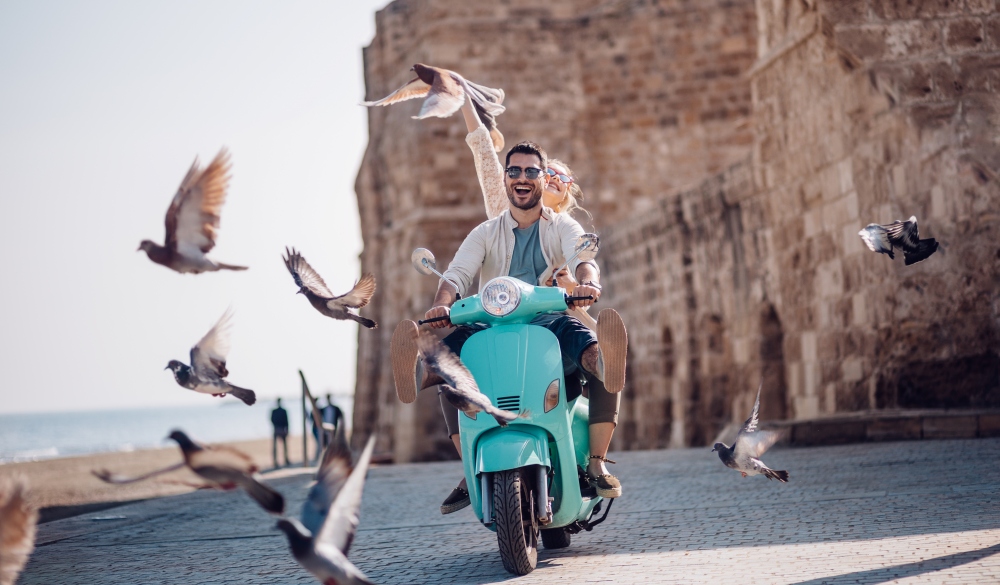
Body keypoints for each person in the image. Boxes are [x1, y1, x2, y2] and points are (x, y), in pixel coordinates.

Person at [391, 139, 628, 515]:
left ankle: (597, 462)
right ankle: (422, 380)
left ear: (540, 178)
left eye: (531, 171)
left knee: (599, 359)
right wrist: (441, 305)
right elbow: (456, 274)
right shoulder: (485, 232)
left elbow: (583, 256)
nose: (522, 178)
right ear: (505, 178)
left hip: (550, 319)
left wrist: (588, 282)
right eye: (514, 170)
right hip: (490, 322)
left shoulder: (562, 225)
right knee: (449, 370)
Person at [270, 398, 290, 468]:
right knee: (277, 446)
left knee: (283, 446)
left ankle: (285, 459)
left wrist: (286, 429)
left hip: (279, 429)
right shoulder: (276, 411)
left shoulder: (281, 411)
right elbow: (271, 420)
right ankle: (276, 461)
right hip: (278, 428)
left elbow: (287, 421)